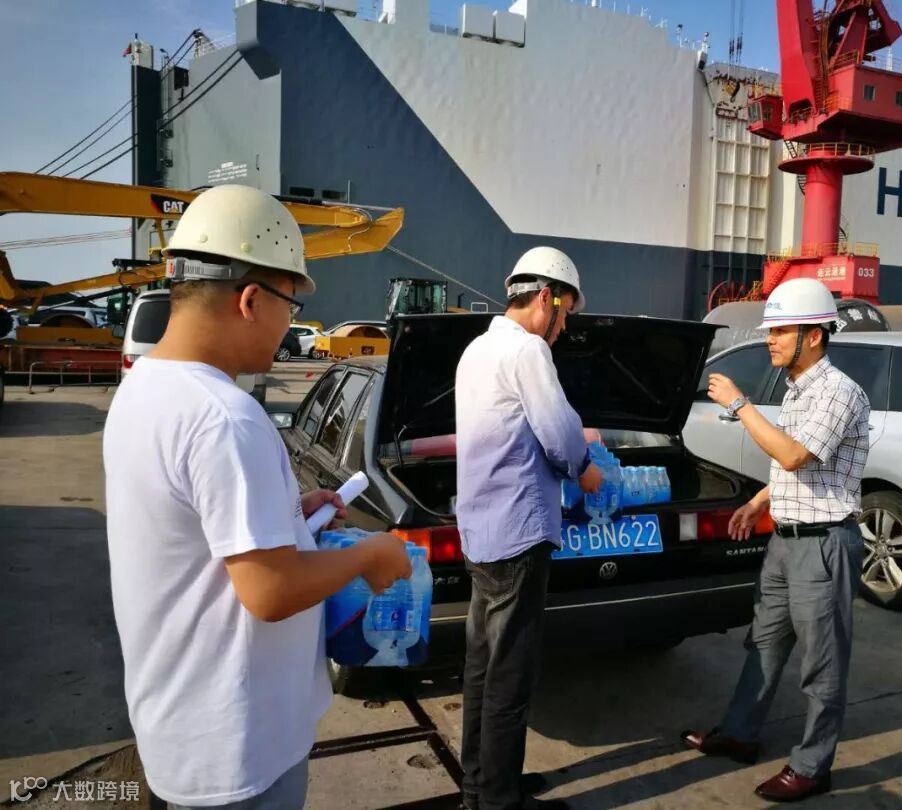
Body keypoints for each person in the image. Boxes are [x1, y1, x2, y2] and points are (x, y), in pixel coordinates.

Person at [103, 184, 412, 809]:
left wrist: (287, 516)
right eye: (290, 305)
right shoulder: (224, 416)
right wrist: (371, 555)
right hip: (239, 748)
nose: (288, 326)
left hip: (180, 726)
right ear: (251, 300)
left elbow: (196, 534)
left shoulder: (145, 388)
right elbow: (269, 591)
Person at [680, 277, 870, 802]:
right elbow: (795, 468)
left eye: (781, 331)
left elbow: (793, 455)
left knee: (821, 663)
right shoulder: (798, 389)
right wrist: (758, 503)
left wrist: (740, 404)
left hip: (824, 546)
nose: (770, 339)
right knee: (763, 642)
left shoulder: (838, 392)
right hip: (787, 541)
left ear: (814, 335)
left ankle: (813, 766)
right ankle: (740, 734)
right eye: (770, 330)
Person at [454, 247, 603, 810]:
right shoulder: (528, 350)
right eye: (565, 315)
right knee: (510, 676)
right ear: (547, 298)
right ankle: (499, 800)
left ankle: (481, 785)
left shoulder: (477, 349)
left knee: (481, 667)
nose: (563, 329)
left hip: (481, 531)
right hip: (519, 534)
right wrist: (585, 468)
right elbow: (559, 437)